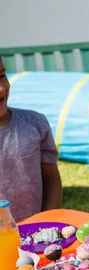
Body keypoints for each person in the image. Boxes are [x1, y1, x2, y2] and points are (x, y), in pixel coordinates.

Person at [0, 55, 62, 222]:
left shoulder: (35, 124)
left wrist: (46, 222)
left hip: (35, 235)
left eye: (1, 76)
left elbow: (52, 179)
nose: (1, 89)